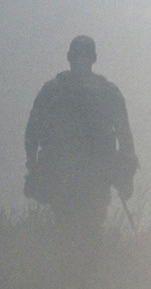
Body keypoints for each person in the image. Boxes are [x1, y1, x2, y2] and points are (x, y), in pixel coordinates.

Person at [24, 35, 137, 254]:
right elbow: (125, 138)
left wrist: (33, 166)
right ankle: (85, 280)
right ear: (94, 58)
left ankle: (70, 280)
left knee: (66, 228)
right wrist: (125, 176)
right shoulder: (108, 91)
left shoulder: (53, 89)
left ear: (68, 57)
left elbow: (33, 131)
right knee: (90, 229)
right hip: (93, 175)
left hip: (64, 172)